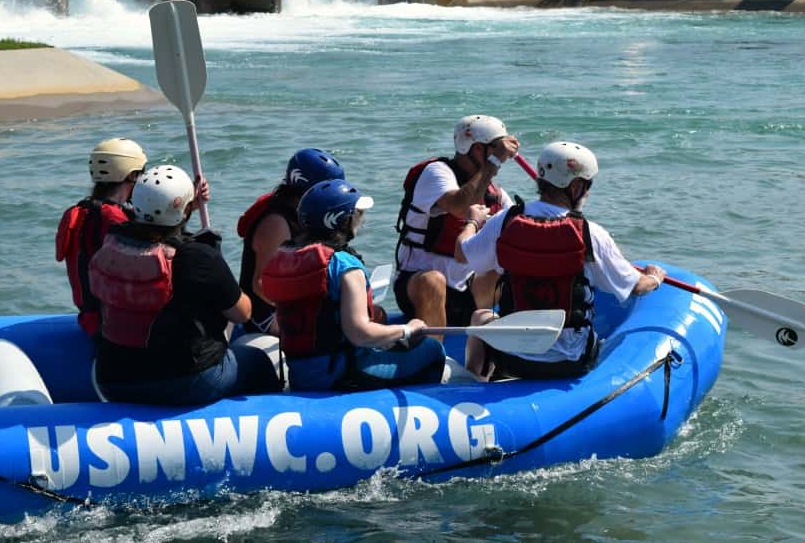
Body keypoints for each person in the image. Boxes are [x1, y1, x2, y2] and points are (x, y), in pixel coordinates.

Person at [455, 141, 666, 381]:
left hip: (513, 358)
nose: (587, 192)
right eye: (587, 185)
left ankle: (475, 384)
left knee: (481, 317)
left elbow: (462, 254)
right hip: (570, 360)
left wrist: (472, 221)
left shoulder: (505, 221)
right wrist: (654, 278)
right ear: (575, 186)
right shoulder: (590, 233)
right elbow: (636, 287)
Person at [89, 165, 281, 405]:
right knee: (258, 362)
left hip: (112, 378)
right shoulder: (198, 257)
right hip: (187, 380)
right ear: (187, 209)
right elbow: (243, 313)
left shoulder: (112, 242)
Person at [263, 179, 445, 391]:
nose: (362, 220)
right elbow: (359, 333)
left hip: (300, 373)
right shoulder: (345, 265)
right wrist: (407, 329)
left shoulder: (285, 257)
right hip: (343, 374)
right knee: (432, 349)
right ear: (340, 220)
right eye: (358, 214)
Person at [393, 115, 520, 332]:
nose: (501, 159)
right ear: (477, 149)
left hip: (468, 291)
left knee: (510, 270)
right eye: (495, 150)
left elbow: (519, 229)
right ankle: (433, 357)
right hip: (419, 287)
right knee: (433, 281)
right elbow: (460, 207)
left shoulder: (494, 194)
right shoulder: (436, 172)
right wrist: (493, 163)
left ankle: (509, 348)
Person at [237, 148, 345, 335]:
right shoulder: (276, 223)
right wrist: (303, 312)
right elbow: (261, 284)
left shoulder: (301, 213)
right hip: (265, 315)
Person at [56, 138, 147, 339]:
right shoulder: (117, 221)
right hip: (115, 326)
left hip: (89, 320)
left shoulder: (76, 212)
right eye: (142, 173)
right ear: (132, 175)